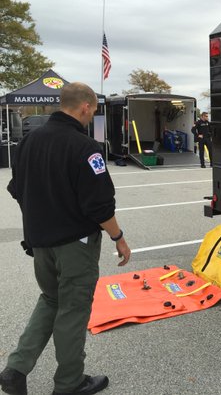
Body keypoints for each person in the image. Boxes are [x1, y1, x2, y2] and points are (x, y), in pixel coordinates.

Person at [1, 82, 131, 395]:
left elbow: (18, 189)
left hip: (40, 242)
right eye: (94, 111)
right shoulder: (83, 147)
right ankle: (69, 382)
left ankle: (15, 370)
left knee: (51, 300)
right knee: (73, 309)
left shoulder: (29, 141)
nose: (92, 116)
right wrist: (119, 237)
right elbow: (99, 205)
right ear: (85, 106)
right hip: (75, 244)